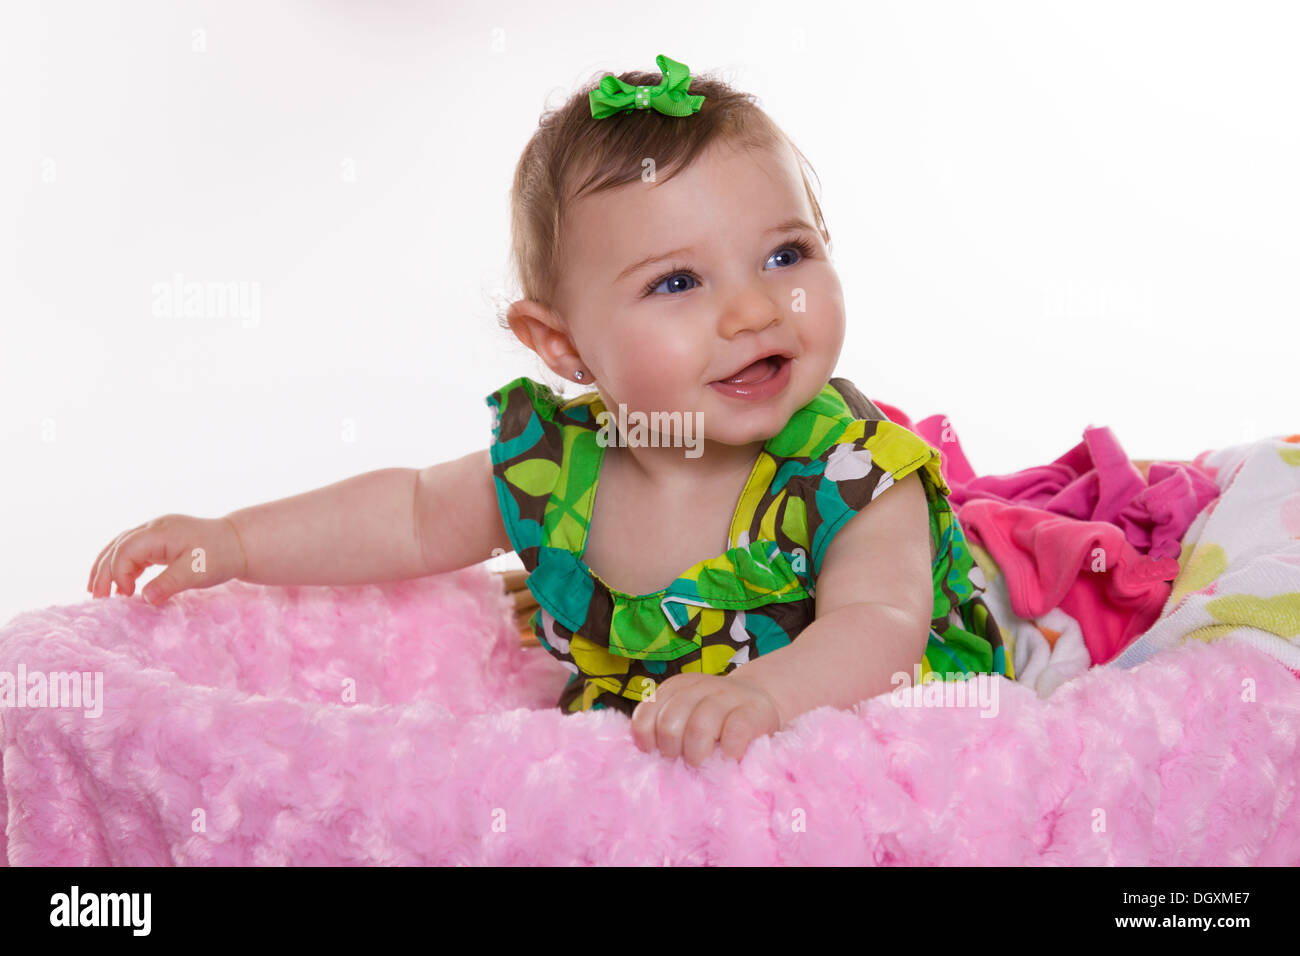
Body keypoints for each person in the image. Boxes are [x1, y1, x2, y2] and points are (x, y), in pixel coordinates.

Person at [86, 54, 1008, 769]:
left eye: (785, 255)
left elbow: (877, 630)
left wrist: (766, 697)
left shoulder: (854, 471)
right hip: (652, 777)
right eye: (678, 281)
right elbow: (407, 516)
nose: (754, 310)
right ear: (562, 345)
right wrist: (233, 541)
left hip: (859, 752)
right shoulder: (558, 467)